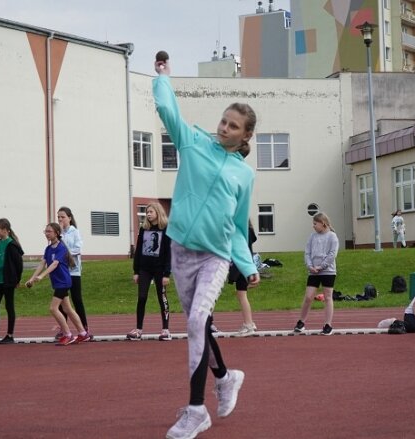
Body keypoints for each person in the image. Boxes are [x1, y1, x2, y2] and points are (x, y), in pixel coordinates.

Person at [154, 55, 259, 439]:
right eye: (223, 121)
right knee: (199, 326)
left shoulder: (244, 175)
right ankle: (226, 376)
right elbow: (167, 109)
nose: (224, 128)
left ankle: (196, 410)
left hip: (215, 257)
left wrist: (247, 265)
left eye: (233, 126)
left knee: (198, 321)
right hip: (180, 250)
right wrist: (163, 77)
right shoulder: (194, 141)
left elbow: (236, 226)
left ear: (245, 136)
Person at [25, 223, 90, 346]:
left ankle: (68, 335)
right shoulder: (48, 249)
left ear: (56, 233)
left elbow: (54, 264)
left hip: (63, 282)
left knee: (53, 308)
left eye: (49, 231)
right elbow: (42, 264)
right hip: (58, 283)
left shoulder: (61, 248)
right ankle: (83, 333)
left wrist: (42, 276)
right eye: (46, 231)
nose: (47, 233)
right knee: (68, 309)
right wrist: (32, 278)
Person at [127, 202, 172, 341]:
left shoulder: (166, 229)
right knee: (141, 298)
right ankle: (138, 329)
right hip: (145, 269)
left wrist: (166, 273)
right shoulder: (144, 229)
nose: (148, 214)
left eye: (151, 212)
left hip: (159, 269)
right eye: (147, 212)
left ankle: (166, 330)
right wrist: (136, 271)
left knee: (161, 297)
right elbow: (139, 250)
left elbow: (169, 252)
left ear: (158, 212)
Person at [294, 212, 339, 336]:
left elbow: (332, 254)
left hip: (328, 271)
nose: (313, 226)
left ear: (322, 223)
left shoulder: (332, 237)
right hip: (313, 271)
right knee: (308, 297)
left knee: (328, 297)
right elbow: (307, 252)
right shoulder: (312, 237)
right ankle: (301, 322)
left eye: (315, 223)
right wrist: (310, 266)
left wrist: (322, 266)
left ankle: (328, 324)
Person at [56, 206, 91, 341]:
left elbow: (78, 248)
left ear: (69, 218)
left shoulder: (74, 232)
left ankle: (85, 327)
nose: (60, 219)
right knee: (61, 301)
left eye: (63, 217)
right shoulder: (58, 233)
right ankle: (64, 330)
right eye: (58, 217)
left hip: (74, 271)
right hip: (61, 271)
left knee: (77, 299)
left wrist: (65, 253)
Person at [229, 220, 258, 336]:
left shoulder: (242, 231)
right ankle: (249, 322)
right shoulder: (247, 231)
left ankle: (249, 324)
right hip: (245, 264)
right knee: (241, 294)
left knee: (242, 295)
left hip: (242, 265)